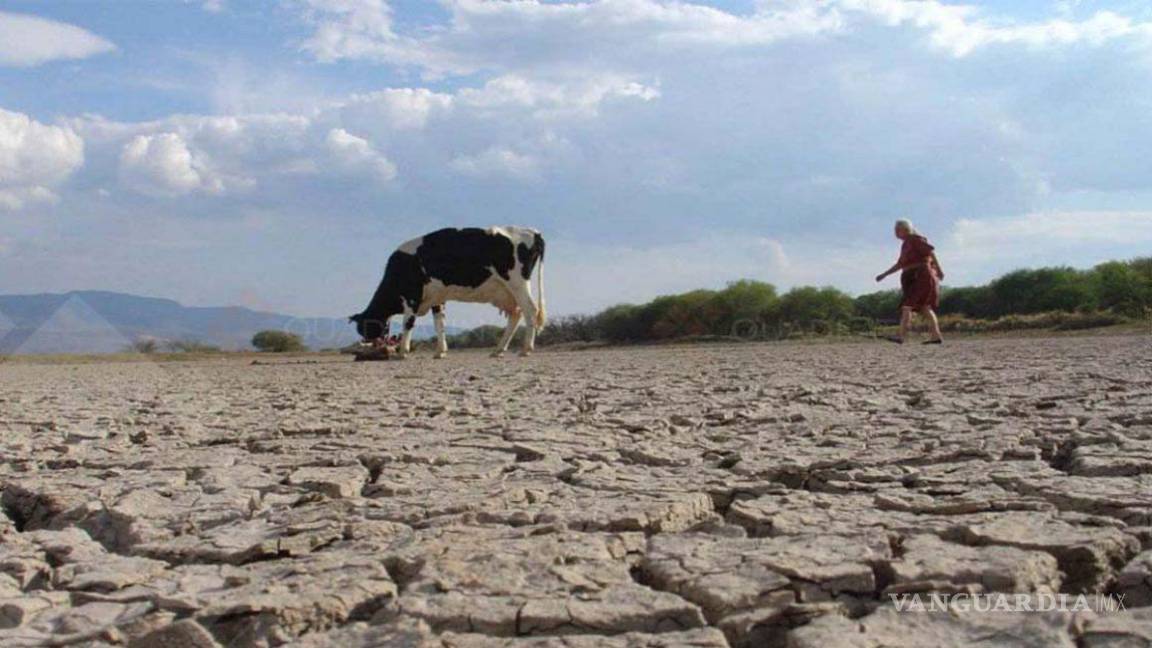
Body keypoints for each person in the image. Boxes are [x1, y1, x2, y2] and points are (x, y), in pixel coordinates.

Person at [875, 219, 944, 344]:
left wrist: (939, 269)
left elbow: (930, 252)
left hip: (920, 275)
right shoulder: (905, 244)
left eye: (897, 229)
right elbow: (900, 264)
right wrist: (884, 274)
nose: (895, 232)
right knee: (924, 307)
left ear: (905, 229)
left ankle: (901, 336)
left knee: (907, 306)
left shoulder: (915, 239)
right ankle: (936, 336)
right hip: (911, 276)